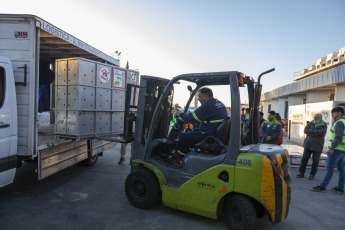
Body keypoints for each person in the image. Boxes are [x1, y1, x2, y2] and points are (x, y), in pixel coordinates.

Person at [173, 87, 227, 163]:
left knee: (183, 137)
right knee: (194, 131)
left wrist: (180, 114)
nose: (198, 99)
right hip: (215, 133)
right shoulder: (219, 103)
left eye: (199, 97)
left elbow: (192, 118)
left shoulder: (207, 105)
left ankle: (180, 159)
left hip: (209, 135)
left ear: (205, 97)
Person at [311, 107, 345, 194]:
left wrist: (331, 148)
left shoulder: (339, 122)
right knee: (341, 169)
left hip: (336, 150)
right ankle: (340, 188)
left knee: (329, 169)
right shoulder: (344, 121)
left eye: (333, 113)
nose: (332, 115)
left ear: (340, 113)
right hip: (342, 150)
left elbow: (338, 137)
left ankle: (323, 186)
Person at [296, 114, 327, 180]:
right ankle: (301, 173)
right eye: (314, 117)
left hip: (318, 145)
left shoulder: (324, 125)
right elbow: (305, 131)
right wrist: (316, 133)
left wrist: (311, 132)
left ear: (320, 118)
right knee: (304, 159)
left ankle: (312, 175)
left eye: (316, 117)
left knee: (315, 161)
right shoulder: (310, 123)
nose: (315, 118)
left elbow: (322, 133)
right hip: (308, 144)